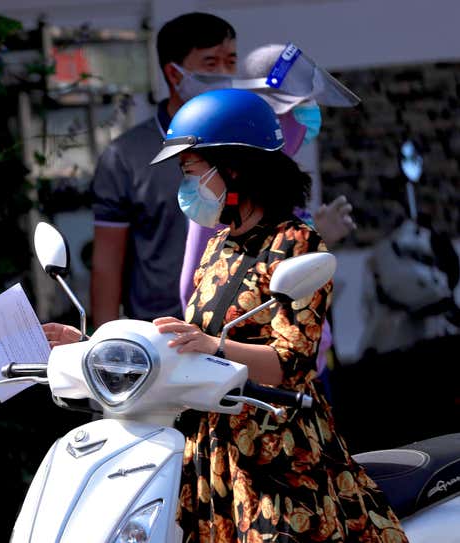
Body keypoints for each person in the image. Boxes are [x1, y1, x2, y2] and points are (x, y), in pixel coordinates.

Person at [147, 88, 407, 542]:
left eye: (191, 173)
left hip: (276, 454)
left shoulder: (295, 242)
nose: (186, 188)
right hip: (214, 451)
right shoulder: (217, 245)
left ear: (232, 168)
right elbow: (199, 336)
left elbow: (293, 362)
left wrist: (215, 346)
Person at [177, 42, 362, 392]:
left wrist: (308, 238)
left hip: (295, 376)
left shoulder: (280, 198)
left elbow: (293, 351)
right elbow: (195, 292)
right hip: (249, 381)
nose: (309, 116)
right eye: (301, 106)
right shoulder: (219, 195)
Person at [89, 12, 237, 329]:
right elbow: (107, 263)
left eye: (231, 61)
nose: (225, 73)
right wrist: (102, 348)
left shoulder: (249, 142)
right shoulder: (126, 157)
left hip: (240, 329)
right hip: (161, 334)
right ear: (174, 73)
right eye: (211, 64)